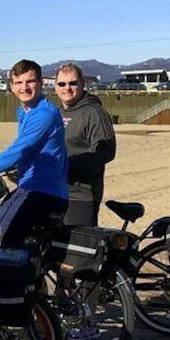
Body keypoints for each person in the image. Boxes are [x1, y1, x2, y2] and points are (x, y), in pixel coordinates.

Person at [0, 59, 68, 246]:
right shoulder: (25, 111)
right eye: (18, 82)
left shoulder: (43, 114)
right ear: (12, 86)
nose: (24, 87)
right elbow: (28, 150)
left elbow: (16, 152)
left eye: (30, 81)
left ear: (41, 83)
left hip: (38, 191)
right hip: (44, 189)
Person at [55, 62, 117, 226]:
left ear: (82, 84)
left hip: (81, 195)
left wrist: (66, 166)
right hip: (55, 191)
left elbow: (105, 151)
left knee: (77, 247)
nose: (67, 88)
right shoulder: (57, 113)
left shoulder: (94, 112)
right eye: (62, 84)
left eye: (72, 83)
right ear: (55, 87)